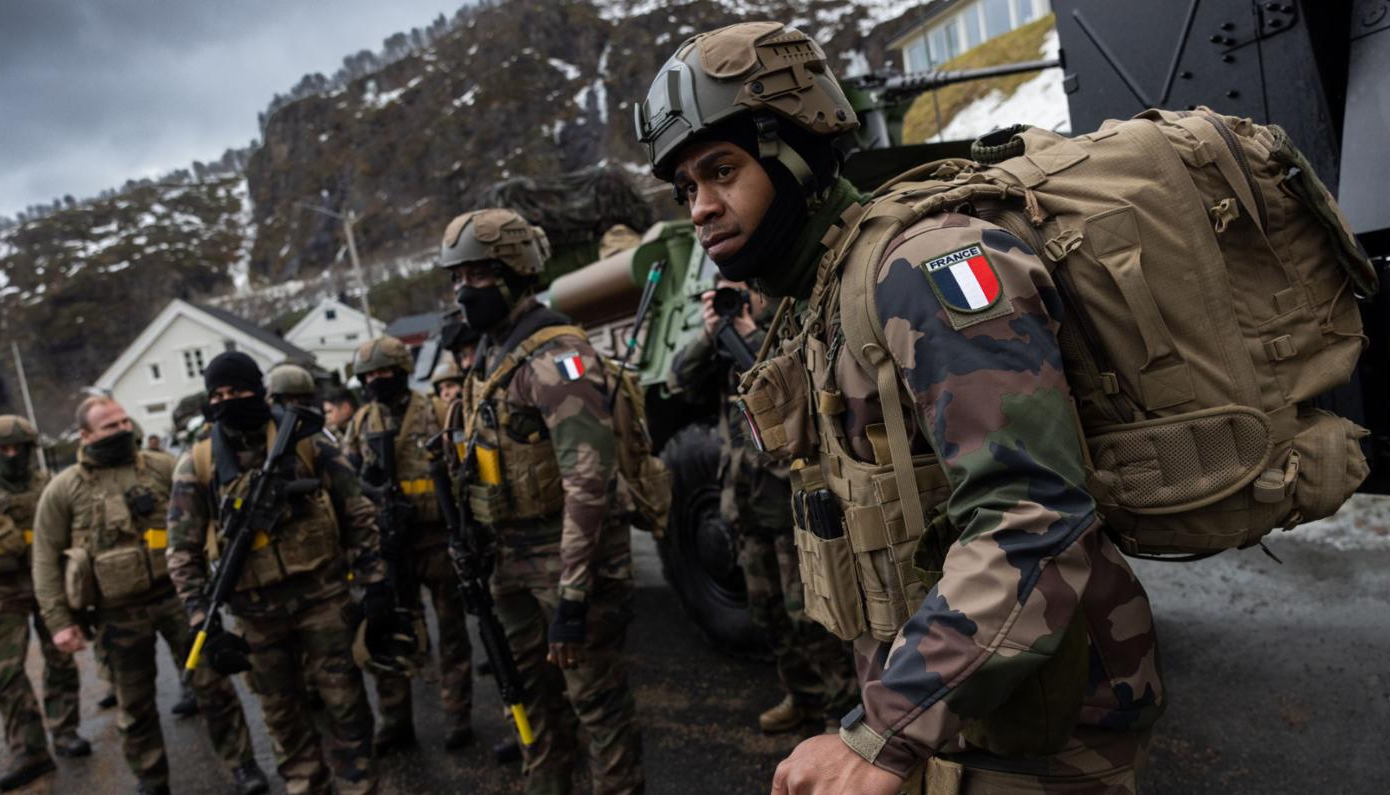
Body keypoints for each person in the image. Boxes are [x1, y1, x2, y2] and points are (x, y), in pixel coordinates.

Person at [638, 22, 1163, 794]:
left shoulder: (920, 267)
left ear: (798, 151)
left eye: (721, 171)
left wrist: (881, 731)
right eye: (686, 188)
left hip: (1036, 735)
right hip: (957, 713)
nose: (700, 208)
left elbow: (1035, 514)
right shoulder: (822, 294)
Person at [440, 207, 643, 794]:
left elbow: (589, 481)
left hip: (568, 565)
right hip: (510, 561)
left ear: (514, 271)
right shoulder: (490, 355)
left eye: (476, 276)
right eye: (457, 278)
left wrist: (575, 596)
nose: (463, 291)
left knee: (599, 714)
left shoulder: (556, 358)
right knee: (529, 707)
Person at [169, 351, 398, 795]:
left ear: (258, 390)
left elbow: (358, 512)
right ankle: (305, 786)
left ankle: (358, 785)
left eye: (236, 391)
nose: (227, 401)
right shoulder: (197, 463)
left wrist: (375, 582)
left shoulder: (309, 441)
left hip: (324, 601)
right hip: (256, 616)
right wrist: (204, 621)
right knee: (282, 717)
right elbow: (182, 551)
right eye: (217, 394)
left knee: (346, 706)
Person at [32, 396, 265, 795]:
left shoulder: (162, 466)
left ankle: (242, 766)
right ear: (85, 435)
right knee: (135, 706)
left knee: (214, 686)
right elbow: (45, 559)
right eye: (110, 425)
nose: (123, 429)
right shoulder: (63, 490)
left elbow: (209, 519)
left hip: (179, 601)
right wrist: (59, 623)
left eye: (125, 421)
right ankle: (151, 780)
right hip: (115, 614)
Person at [668, 281, 858, 735]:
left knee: (813, 615)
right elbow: (678, 381)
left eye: (738, 288)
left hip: (790, 495)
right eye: (723, 290)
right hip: (745, 496)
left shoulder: (782, 322)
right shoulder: (722, 338)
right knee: (768, 611)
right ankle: (802, 696)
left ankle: (844, 714)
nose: (733, 295)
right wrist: (710, 334)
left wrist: (749, 334)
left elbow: (787, 384)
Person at [346, 336, 474, 754]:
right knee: (393, 633)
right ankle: (396, 721)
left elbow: (464, 471)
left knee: (453, 632)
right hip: (389, 546)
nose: (376, 381)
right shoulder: (362, 422)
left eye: (384, 372)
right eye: (369, 376)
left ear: (402, 371)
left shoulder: (437, 412)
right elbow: (349, 485)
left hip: (437, 539)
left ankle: (458, 715)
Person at [0, 416, 89, 791]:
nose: (12, 455)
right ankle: (29, 750)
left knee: (60, 657)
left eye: (19, 448)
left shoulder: (48, 485)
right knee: (6, 673)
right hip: (0, 590)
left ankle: (65, 732)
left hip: (45, 581)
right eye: (3, 449)